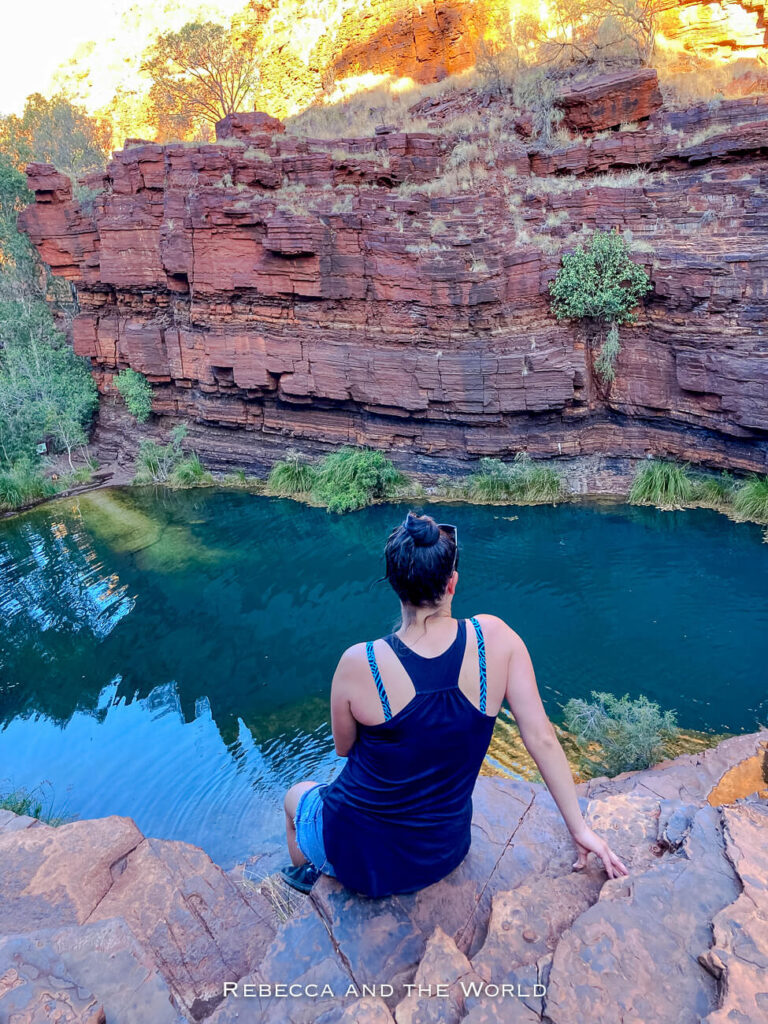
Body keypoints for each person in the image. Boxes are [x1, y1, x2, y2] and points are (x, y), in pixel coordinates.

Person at [281, 511, 628, 897]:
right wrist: (580, 829)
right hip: (442, 853)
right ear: (452, 584)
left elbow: (345, 748)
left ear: (395, 585)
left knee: (295, 797)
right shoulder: (496, 639)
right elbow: (542, 738)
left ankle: (311, 881)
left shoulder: (359, 662)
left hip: (363, 860)